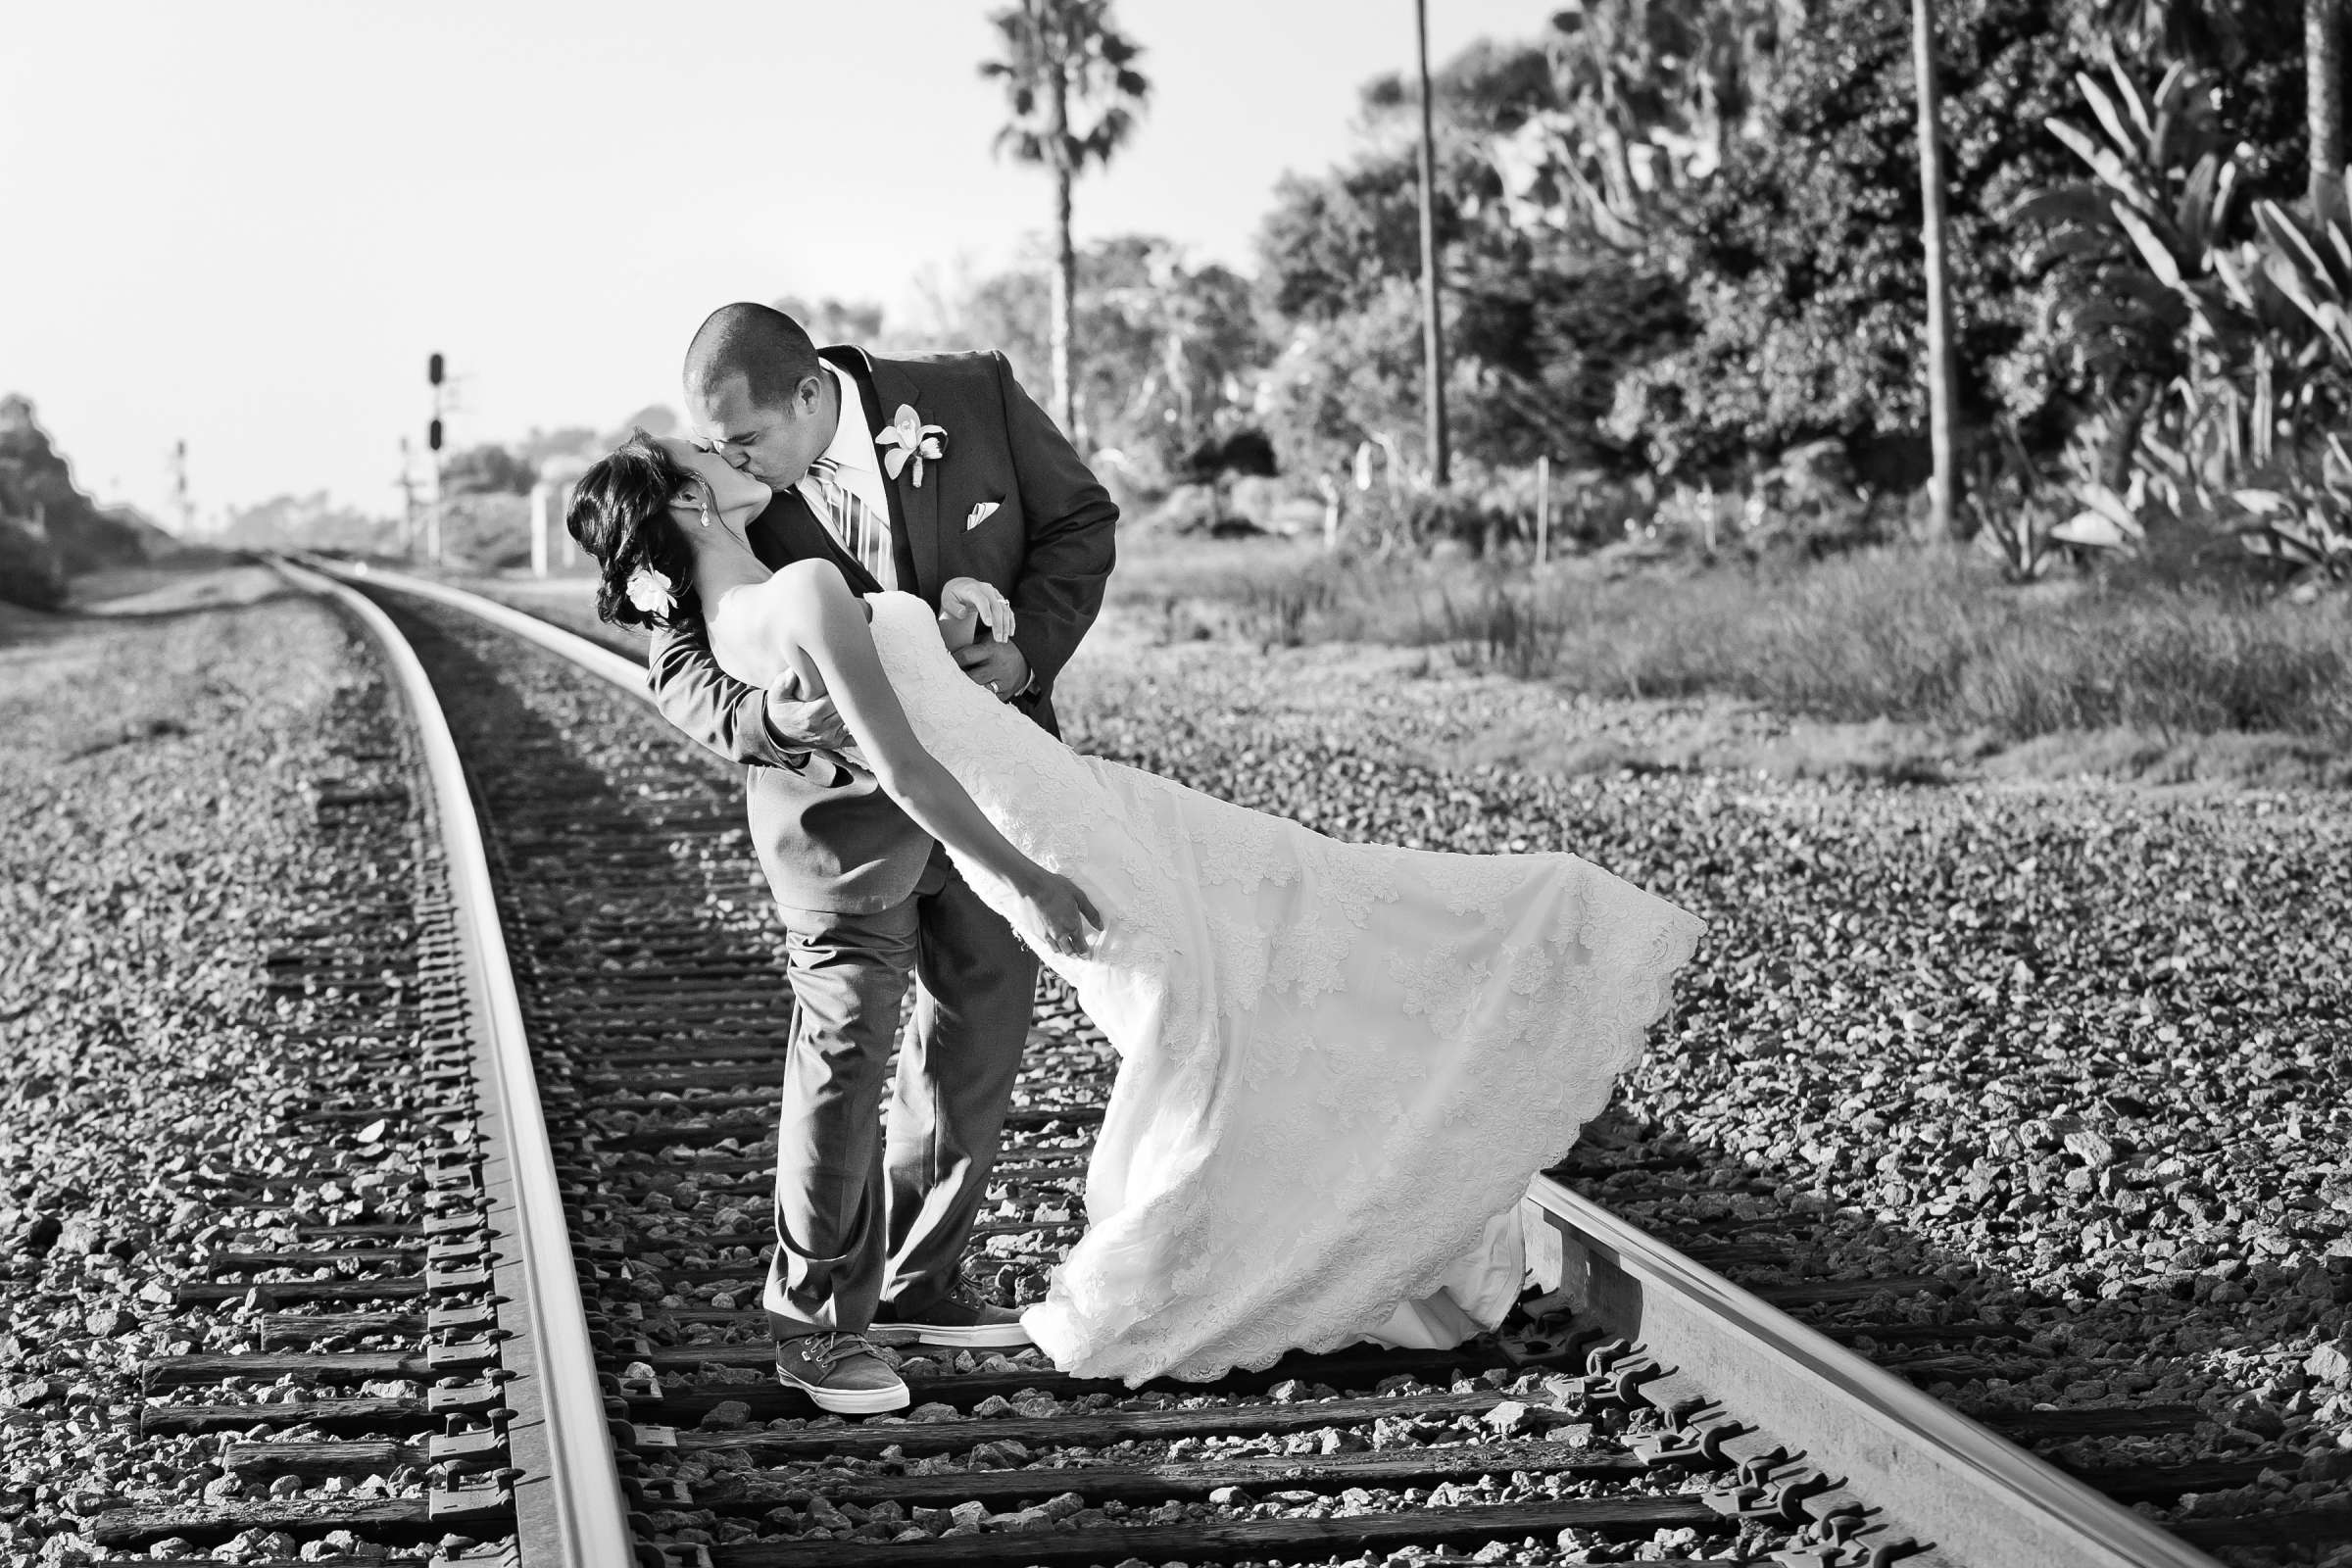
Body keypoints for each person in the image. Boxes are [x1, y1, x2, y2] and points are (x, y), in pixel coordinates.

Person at [568, 432, 1708, 1391]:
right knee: (1222, 986)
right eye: (702, 452)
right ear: (684, 499)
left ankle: (1350, 1222)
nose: (726, 449)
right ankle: (1226, 1260)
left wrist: (961, 627)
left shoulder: (737, 609)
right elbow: (910, 772)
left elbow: (912, 702)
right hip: (1037, 827)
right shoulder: (800, 591)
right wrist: (1030, 877)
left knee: (1253, 942)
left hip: (1057, 802)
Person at [617, 305, 1115, 1415]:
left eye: (743, 438)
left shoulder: (971, 396)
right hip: (837, 818)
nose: (726, 458)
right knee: (844, 1055)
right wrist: (779, 722)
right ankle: (814, 1318)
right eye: (715, 443)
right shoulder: (711, 491)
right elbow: (683, 669)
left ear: (808, 398)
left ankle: (919, 1275)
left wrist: (1025, 642)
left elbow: (1080, 519)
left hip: (993, 781)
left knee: (978, 1037)